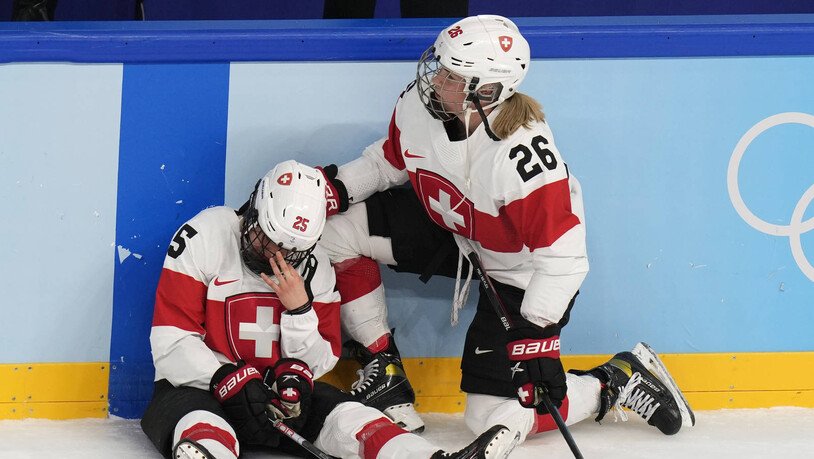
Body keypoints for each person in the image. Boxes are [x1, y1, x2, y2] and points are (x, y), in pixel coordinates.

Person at [317, 15, 696, 442]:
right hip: (459, 233)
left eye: (452, 75)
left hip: (521, 272)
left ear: (489, 91)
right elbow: (387, 161)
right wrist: (334, 189)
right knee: (331, 232)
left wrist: (535, 333)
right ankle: (386, 373)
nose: (435, 79)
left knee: (485, 417)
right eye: (439, 66)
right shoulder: (420, 106)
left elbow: (564, 261)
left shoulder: (523, 156)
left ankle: (614, 380)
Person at [140, 160, 519, 459]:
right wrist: (224, 376)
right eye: (267, 240)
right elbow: (170, 341)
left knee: (353, 416)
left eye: (291, 251)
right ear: (253, 208)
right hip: (202, 388)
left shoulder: (314, 262)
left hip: (274, 395)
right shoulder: (205, 234)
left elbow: (323, 358)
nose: (276, 257)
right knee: (196, 420)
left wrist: (298, 329)